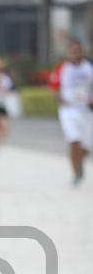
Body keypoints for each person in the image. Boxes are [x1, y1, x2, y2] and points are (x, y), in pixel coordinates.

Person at [49, 39, 93, 185]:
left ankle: (78, 164)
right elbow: (53, 86)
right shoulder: (62, 67)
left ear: (82, 51)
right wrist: (60, 100)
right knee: (74, 140)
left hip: (86, 110)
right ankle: (76, 173)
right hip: (69, 110)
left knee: (86, 147)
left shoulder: (89, 66)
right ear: (68, 53)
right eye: (73, 51)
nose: (76, 54)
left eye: (78, 51)